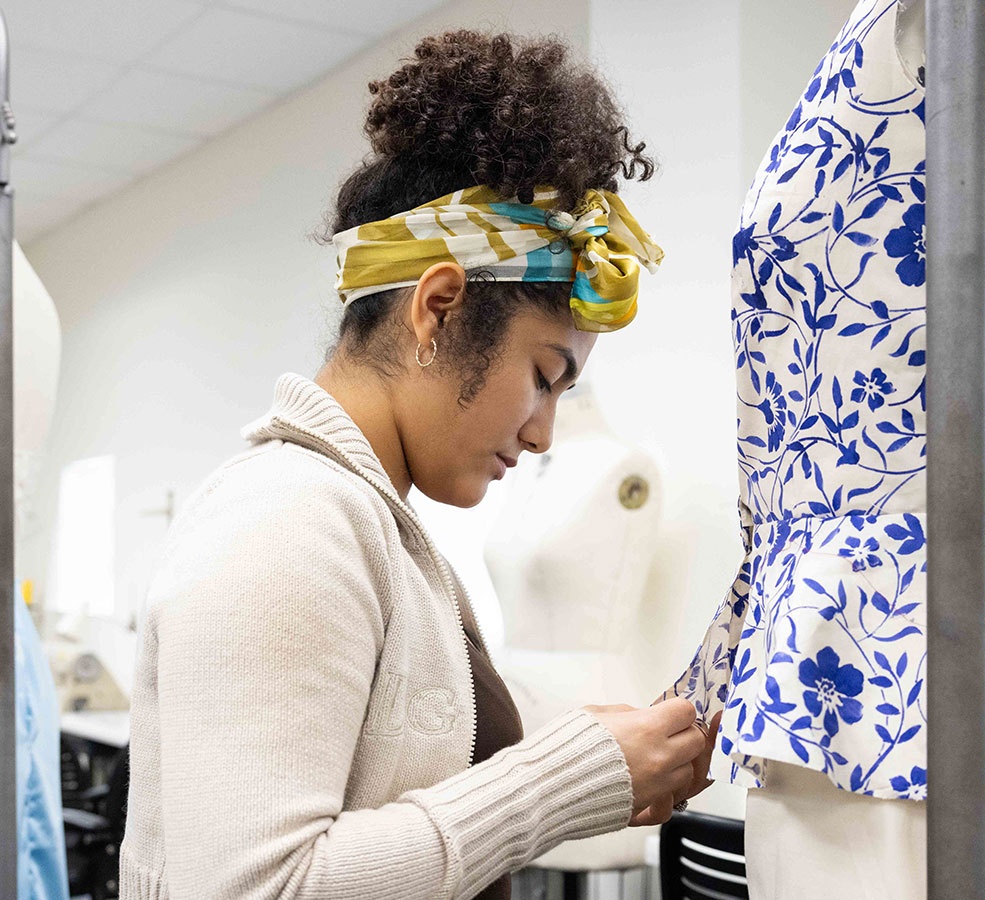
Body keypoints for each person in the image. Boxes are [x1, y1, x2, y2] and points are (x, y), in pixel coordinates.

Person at [122, 30, 716, 900]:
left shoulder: (381, 534)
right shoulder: (287, 524)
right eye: (545, 376)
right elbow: (258, 890)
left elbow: (413, 747)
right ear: (438, 308)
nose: (546, 432)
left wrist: (606, 745)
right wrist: (564, 780)